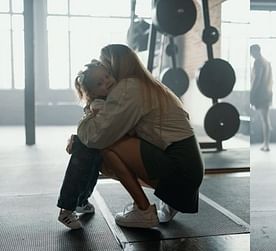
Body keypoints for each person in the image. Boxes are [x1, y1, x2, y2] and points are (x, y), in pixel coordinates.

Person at [77, 44, 204, 228]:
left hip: (181, 169)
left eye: (104, 64)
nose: (102, 68)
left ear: (115, 64)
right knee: (115, 138)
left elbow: (97, 136)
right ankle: (168, 202)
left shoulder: (128, 88)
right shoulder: (147, 84)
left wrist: (86, 118)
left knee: (105, 148)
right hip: (191, 168)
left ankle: (143, 210)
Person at [57, 60, 117, 229]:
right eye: (100, 83)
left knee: (91, 176)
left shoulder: (106, 98)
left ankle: (81, 202)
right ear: (92, 92)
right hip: (86, 146)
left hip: (93, 144)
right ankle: (66, 210)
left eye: (107, 76)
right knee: (77, 176)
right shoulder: (99, 103)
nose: (107, 82)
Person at [249, 44, 273, 152]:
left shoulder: (258, 62)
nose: (250, 54)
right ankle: (266, 143)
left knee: (264, 119)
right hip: (267, 93)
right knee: (265, 119)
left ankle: (266, 144)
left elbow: (257, 80)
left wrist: (252, 94)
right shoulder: (266, 62)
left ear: (255, 51)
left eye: (251, 51)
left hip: (261, 94)